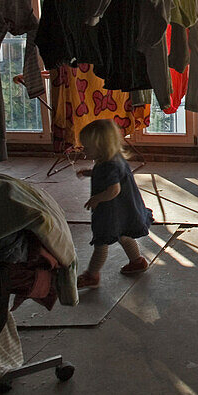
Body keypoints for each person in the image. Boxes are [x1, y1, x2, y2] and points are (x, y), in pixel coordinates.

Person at [75, 119, 153, 288]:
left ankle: (92, 275)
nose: (83, 151)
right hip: (123, 209)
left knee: (101, 242)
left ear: (101, 146)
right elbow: (109, 177)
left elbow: (113, 190)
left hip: (111, 210)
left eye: (87, 148)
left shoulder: (108, 166)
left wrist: (96, 198)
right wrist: (90, 173)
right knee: (123, 234)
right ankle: (137, 261)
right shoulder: (112, 159)